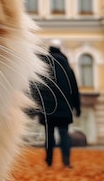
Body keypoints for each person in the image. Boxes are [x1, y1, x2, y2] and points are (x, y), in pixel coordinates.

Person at [33, 40, 81, 168]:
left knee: (49, 136)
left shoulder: (44, 66)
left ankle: (49, 161)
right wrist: (77, 107)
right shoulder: (67, 67)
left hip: (48, 108)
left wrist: (36, 107)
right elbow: (74, 89)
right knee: (64, 134)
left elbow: (37, 88)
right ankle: (66, 161)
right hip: (65, 108)